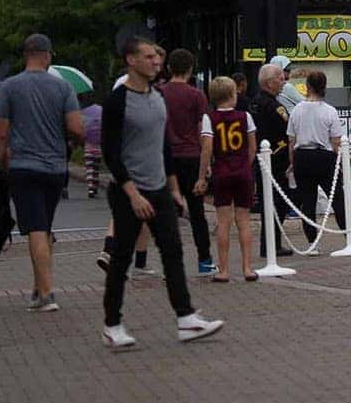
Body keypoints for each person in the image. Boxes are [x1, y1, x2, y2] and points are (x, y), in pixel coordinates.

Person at [100, 37, 224, 349]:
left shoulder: (157, 96)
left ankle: (186, 318)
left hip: (159, 189)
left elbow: (163, 145)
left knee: (173, 251)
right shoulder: (118, 101)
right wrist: (132, 193)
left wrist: (173, 187)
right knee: (122, 257)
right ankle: (112, 324)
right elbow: (110, 152)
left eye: (157, 56)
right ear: (131, 60)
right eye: (148, 56)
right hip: (129, 192)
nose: (155, 62)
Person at [0, 34, 84, 310]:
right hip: (55, 168)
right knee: (43, 227)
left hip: (23, 167)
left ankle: (46, 294)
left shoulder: (9, 87)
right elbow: (78, 128)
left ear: (26, 54)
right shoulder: (63, 87)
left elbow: (0, 134)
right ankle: (38, 287)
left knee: (36, 228)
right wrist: (69, 141)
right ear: (47, 55)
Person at [157, 49, 214, 275]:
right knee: (197, 212)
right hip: (191, 156)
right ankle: (205, 260)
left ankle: (170, 264)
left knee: (168, 214)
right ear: (191, 70)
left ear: (169, 68)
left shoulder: (159, 93)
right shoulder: (197, 96)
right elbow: (203, 132)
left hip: (165, 157)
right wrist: (205, 166)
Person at [197, 77, 257, 282]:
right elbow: (252, 147)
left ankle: (223, 270)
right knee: (244, 220)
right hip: (242, 171)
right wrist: (245, 166)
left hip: (221, 171)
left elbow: (207, 148)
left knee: (223, 222)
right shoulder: (245, 116)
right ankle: (248, 268)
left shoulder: (209, 119)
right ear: (233, 95)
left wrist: (203, 174)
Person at [287, 70, 345, 247]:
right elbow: (336, 141)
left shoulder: (297, 110)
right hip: (324, 156)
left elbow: (291, 140)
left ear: (307, 87)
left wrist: (292, 163)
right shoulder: (330, 111)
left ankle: (312, 242)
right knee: (337, 198)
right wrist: (338, 162)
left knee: (308, 201)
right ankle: (350, 237)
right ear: (324, 87)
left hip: (302, 156)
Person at [250, 63, 294, 258]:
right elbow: (286, 132)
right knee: (277, 203)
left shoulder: (255, 102)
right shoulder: (275, 107)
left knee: (269, 203)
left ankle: (269, 243)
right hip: (276, 162)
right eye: (280, 78)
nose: (283, 82)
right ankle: (271, 244)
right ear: (269, 82)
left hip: (261, 161)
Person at [80, 94, 103, 198]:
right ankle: (95, 185)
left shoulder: (83, 114)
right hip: (99, 146)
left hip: (88, 146)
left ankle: (90, 187)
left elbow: (81, 129)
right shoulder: (101, 111)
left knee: (89, 167)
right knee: (96, 168)